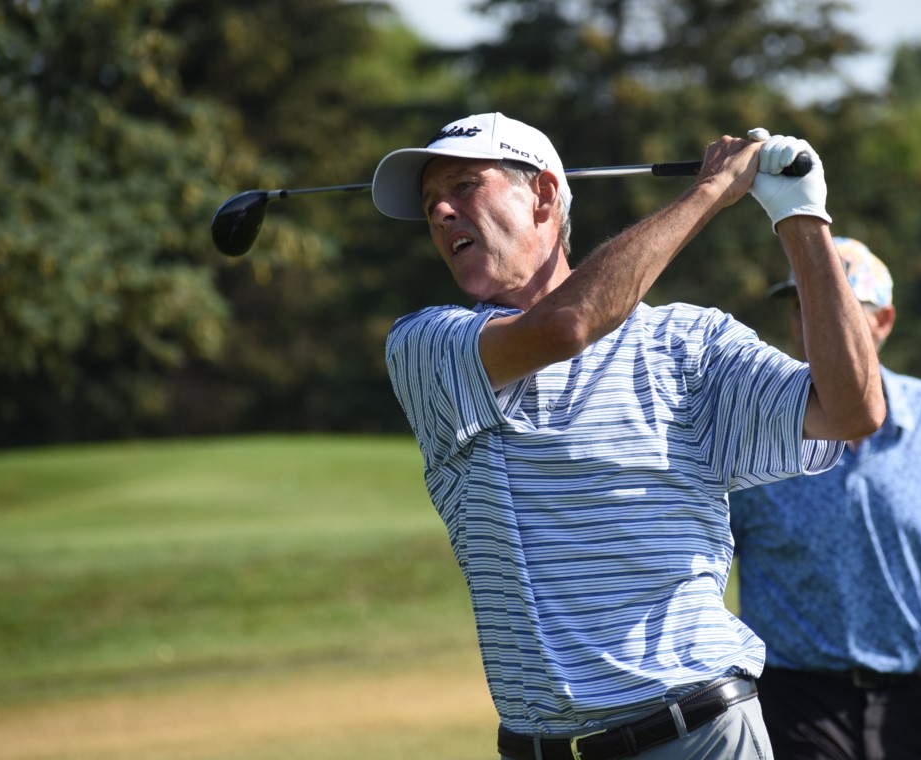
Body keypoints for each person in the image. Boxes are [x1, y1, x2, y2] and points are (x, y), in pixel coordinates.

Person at [370, 111, 885, 760]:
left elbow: (853, 410)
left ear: (545, 196)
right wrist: (707, 193)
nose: (441, 211)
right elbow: (567, 326)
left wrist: (802, 221)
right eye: (429, 203)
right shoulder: (425, 346)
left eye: (466, 185)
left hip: (699, 734)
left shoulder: (690, 346)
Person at [728, 237, 921, 760]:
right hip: (793, 702)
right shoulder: (757, 427)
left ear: (883, 322)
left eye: (829, 304)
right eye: (801, 307)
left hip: (911, 700)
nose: (810, 322)